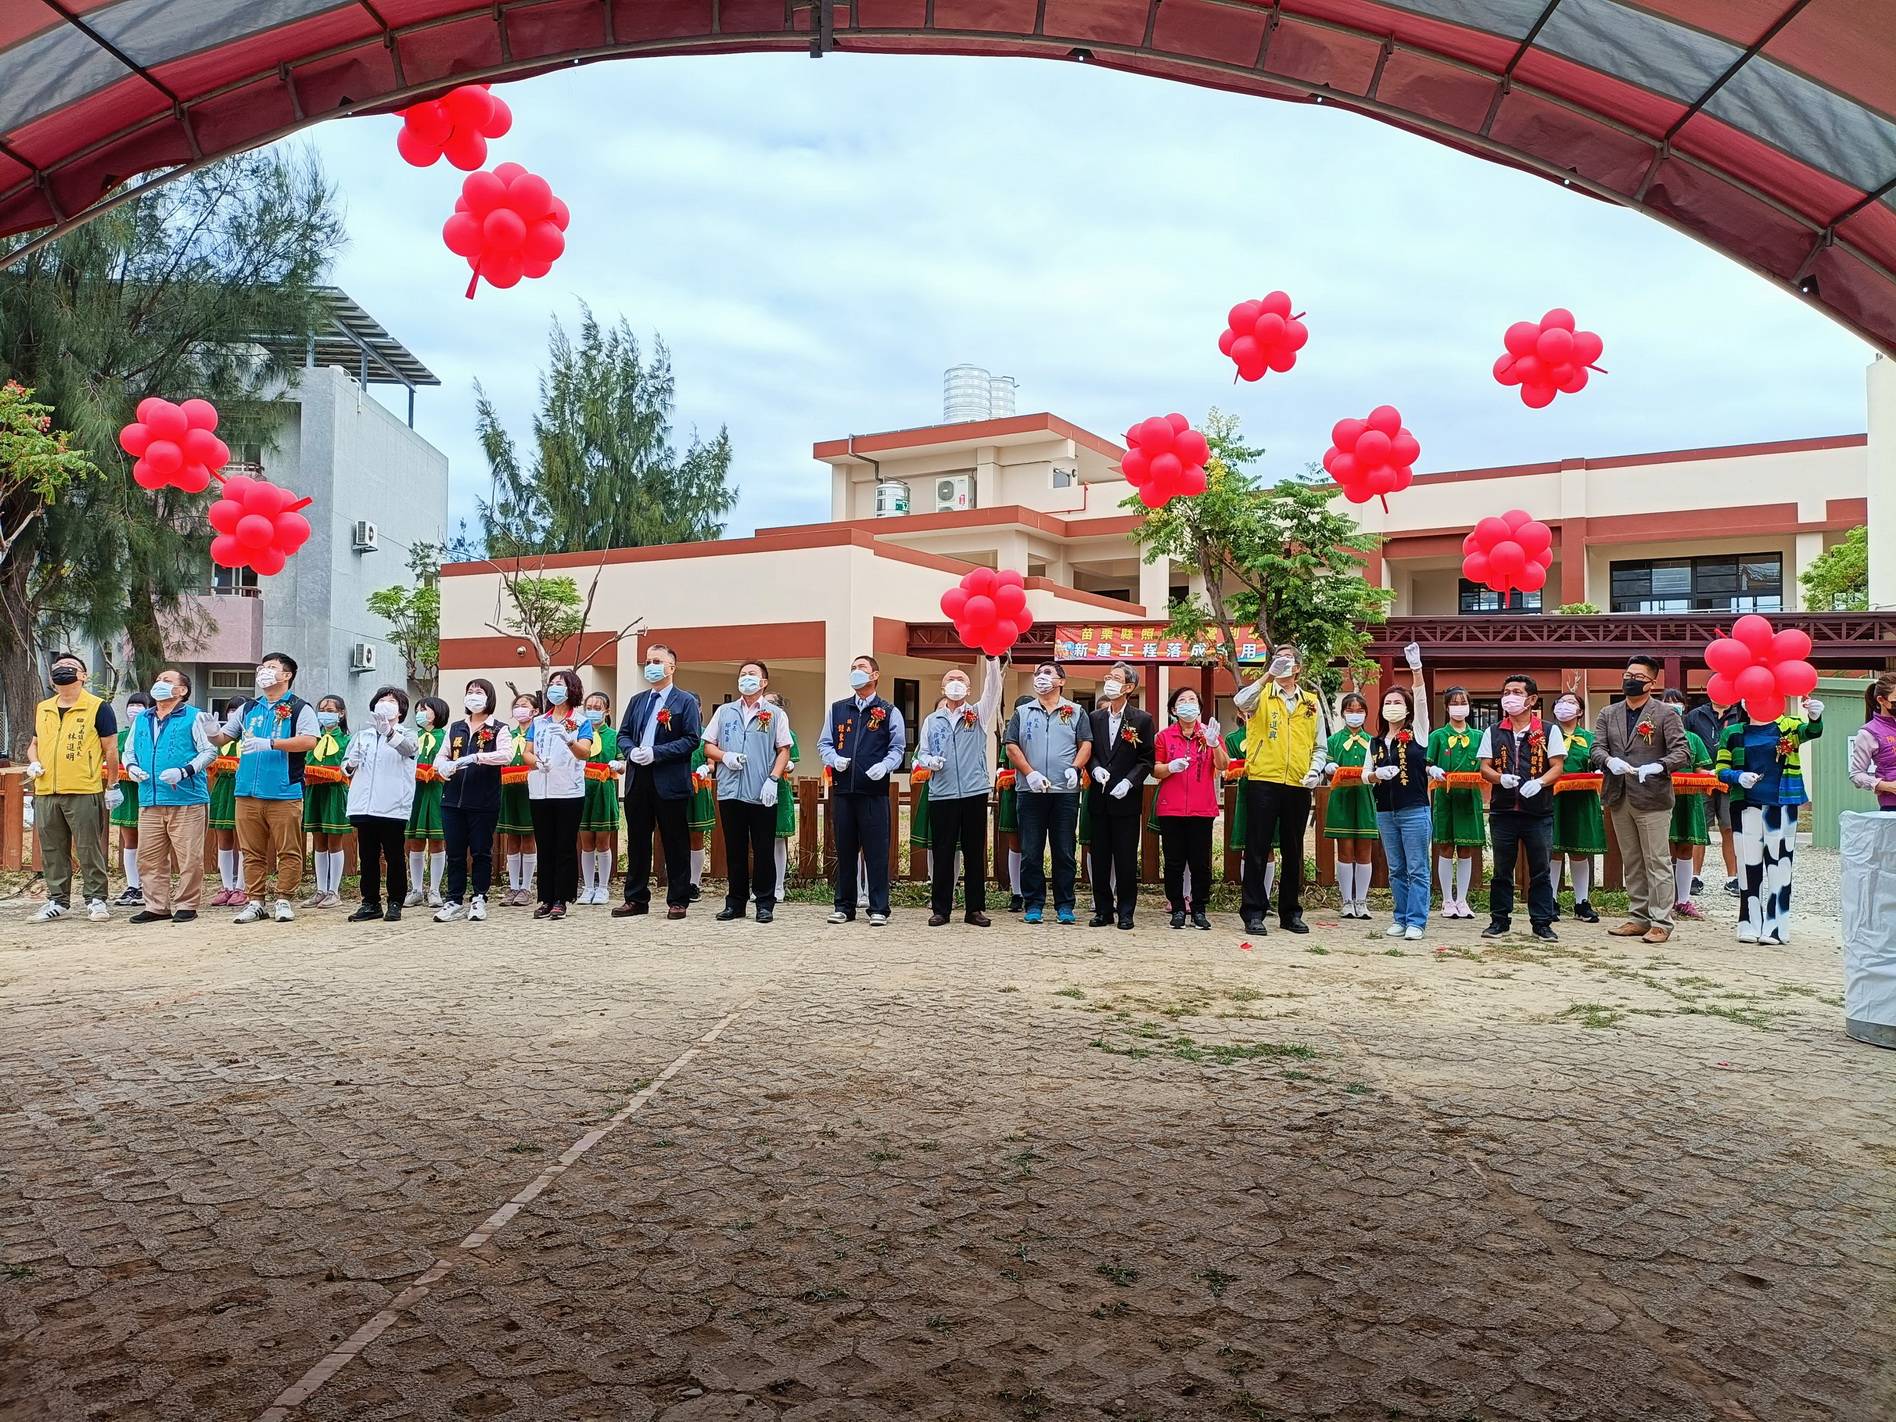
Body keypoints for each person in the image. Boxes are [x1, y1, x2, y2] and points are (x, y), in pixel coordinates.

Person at [1589, 655, 1690, 944]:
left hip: (1652, 796)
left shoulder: (1665, 714)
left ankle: (1661, 921)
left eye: (1638, 677)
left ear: (1651, 683)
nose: (1630, 680)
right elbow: (1596, 748)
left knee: (1656, 860)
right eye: (1627, 674)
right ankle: (1638, 917)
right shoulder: (1609, 713)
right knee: (1632, 861)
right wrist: (1608, 761)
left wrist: (1658, 765)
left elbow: (1682, 752)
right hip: (1619, 795)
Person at [1716, 692, 1825, 945]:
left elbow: (1811, 731)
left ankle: (1777, 926)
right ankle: (1748, 923)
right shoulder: (1732, 732)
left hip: (1782, 806)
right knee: (1747, 866)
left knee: (1780, 867)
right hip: (1745, 806)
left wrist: (1815, 716)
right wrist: (1737, 777)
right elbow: (1721, 769)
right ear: (1744, 702)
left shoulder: (1788, 726)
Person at [1234, 642, 1324, 936]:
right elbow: (1241, 700)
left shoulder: (1310, 702)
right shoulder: (1262, 695)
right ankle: (1254, 912)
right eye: (1277, 659)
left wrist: (1314, 769)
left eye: (1287, 660)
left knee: (1293, 849)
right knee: (1258, 848)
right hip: (1264, 779)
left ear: (1297, 668)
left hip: (1298, 783)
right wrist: (1265, 677)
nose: (1282, 663)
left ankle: (1290, 912)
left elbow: (1320, 745)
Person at [224, 652, 320, 923]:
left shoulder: (300, 708)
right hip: (246, 792)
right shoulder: (248, 708)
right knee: (251, 851)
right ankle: (255, 901)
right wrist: (208, 730)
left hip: (283, 791)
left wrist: (272, 743)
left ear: (286, 675)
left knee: (287, 849)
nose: (263, 672)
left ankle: (284, 899)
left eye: (271, 667)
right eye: (262, 667)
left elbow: (309, 740)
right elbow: (224, 736)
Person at [27, 651, 122, 922]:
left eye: (70, 667)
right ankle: (58, 900)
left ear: (83, 676)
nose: (63, 670)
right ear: (51, 677)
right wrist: (33, 763)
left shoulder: (98, 707)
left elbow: (111, 749)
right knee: (52, 847)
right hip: (46, 789)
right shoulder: (43, 707)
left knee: (88, 846)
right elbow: (34, 744)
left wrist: (112, 784)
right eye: (58, 667)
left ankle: (96, 899)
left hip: (82, 788)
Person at [613, 644, 702, 920]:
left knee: (675, 841)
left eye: (657, 661)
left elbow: (691, 739)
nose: (651, 665)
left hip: (669, 779)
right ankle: (636, 898)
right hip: (638, 778)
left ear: (671, 667)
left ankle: (678, 899)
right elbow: (623, 734)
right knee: (638, 839)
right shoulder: (638, 700)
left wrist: (657, 753)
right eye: (648, 660)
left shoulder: (684, 701)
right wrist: (632, 751)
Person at [120, 668, 215, 924]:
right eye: (158, 679)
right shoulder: (142, 719)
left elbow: (209, 751)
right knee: (149, 857)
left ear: (182, 690)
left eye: (167, 680)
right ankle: (156, 905)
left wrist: (185, 771)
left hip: (187, 798)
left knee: (189, 857)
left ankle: (187, 903)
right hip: (150, 798)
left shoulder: (194, 716)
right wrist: (132, 768)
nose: (160, 683)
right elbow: (128, 751)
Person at [915, 657, 1005, 927]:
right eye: (950, 681)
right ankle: (941, 908)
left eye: (962, 681)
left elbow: (993, 689)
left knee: (974, 851)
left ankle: (975, 909)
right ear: (942, 689)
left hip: (974, 791)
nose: (956, 684)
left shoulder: (977, 714)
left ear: (968, 689)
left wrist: (992, 661)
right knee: (943, 851)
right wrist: (930, 762)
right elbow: (924, 753)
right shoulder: (932, 720)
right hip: (941, 793)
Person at [820, 654, 907, 926]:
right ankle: (844, 906)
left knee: (876, 852)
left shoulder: (888, 711)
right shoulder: (838, 709)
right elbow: (824, 743)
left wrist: (885, 766)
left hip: (874, 793)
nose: (856, 672)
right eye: (853, 668)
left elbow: (898, 747)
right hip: (844, 790)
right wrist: (834, 759)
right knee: (845, 850)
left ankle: (879, 907)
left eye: (862, 668)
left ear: (875, 675)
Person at [704, 660, 795, 922]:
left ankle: (765, 903)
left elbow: (783, 749)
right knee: (735, 848)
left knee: (764, 848)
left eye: (752, 674)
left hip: (761, 790)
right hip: (731, 790)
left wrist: (773, 779)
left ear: (764, 682)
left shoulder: (775, 714)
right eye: (743, 674)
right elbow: (708, 746)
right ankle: (735, 902)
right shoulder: (724, 712)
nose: (746, 678)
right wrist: (726, 756)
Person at [1002, 663, 1091, 924]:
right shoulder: (1022, 712)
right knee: (1031, 850)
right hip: (1030, 790)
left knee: (1064, 849)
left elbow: (1085, 743)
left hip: (1065, 791)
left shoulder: (1075, 711)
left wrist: (1076, 768)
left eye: (1048, 674)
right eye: (1038, 674)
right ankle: (1034, 903)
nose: (1042, 678)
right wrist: (1029, 773)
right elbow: (1011, 746)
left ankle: (1064, 904)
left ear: (1061, 681)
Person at [1479, 674, 1564, 941]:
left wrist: (1539, 782)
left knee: (1540, 869)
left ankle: (1541, 922)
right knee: (1502, 869)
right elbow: (1485, 767)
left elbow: (1558, 767)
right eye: (1506, 692)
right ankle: (1499, 921)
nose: (1510, 697)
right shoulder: (1493, 731)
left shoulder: (1549, 730)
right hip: (1503, 810)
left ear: (1531, 699)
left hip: (1538, 811)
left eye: (1516, 692)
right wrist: (1499, 778)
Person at [433, 677, 513, 923]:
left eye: (479, 691)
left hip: (483, 801)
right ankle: (454, 899)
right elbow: (442, 755)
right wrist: (443, 767)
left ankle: (479, 896)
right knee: (455, 852)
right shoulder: (456, 727)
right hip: (452, 799)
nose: (474, 695)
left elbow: (507, 755)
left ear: (489, 697)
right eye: (470, 691)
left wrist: (478, 757)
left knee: (480, 851)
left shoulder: (498, 728)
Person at [1084, 664, 1156, 930]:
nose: (1110, 682)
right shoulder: (1095, 717)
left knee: (1125, 858)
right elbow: (1088, 751)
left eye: (1116, 679)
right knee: (1100, 856)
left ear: (1128, 687)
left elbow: (1147, 758)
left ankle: (1126, 911)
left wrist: (1129, 781)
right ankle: (1103, 910)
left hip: (1126, 800)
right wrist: (1095, 768)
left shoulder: (1142, 719)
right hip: (1100, 797)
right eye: (1108, 677)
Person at [1153, 684, 1227, 929]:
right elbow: (1156, 769)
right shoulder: (1164, 736)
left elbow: (1224, 765)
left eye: (1192, 700)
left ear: (1199, 706)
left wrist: (1214, 743)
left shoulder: (1208, 733)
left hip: (1201, 808)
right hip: (1171, 808)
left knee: (1200, 863)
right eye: (1182, 700)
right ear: (1174, 708)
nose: (1188, 704)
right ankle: (1176, 908)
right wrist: (1170, 767)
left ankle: (1199, 909)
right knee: (1173, 862)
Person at [343, 686, 418, 922]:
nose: (386, 703)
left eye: (391, 700)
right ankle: (370, 902)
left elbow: (409, 751)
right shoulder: (362, 735)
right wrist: (351, 763)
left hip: (393, 805)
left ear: (400, 710)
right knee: (367, 855)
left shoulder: (408, 734)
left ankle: (396, 901)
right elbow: (345, 766)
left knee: (394, 855)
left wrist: (389, 734)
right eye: (382, 699)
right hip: (364, 804)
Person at [527, 669, 594, 919]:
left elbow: (584, 752)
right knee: (544, 845)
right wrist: (536, 761)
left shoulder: (580, 720)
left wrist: (568, 740)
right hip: (540, 789)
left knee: (564, 845)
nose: (555, 688)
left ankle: (562, 898)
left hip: (568, 790)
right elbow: (527, 751)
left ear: (572, 689)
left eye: (561, 684)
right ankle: (545, 897)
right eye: (552, 683)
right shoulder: (539, 721)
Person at [1369, 677, 1432, 941]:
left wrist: (1417, 670)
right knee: (1396, 868)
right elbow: (1365, 774)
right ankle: (1400, 916)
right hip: (1385, 811)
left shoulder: (1417, 733)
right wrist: (1376, 775)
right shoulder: (1376, 742)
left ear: (1407, 709)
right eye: (1388, 702)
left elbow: (1421, 699)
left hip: (1414, 809)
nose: (1392, 706)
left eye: (1397, 702)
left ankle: (1417, 920)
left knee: (1417, 867)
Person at [1425, 687, 1482, 919]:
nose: (1459, 706)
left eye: (1463, 702)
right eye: (1454, 703)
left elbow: (1487, 765)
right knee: (1446, 848)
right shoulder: (1437, 736)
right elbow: (1426, 764)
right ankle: (1447, 900)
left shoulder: (1479, 736)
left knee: (1466, 849)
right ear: (1446, 707)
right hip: (1445, 798)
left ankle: (1462, 899)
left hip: (1469, 798)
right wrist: (1433, 769)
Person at [1549, 685, 1605, 924]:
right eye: (1560, 702)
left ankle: (1581, 902)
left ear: (1581, 711)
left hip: (1582, 799)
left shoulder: (1590, 738)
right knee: (1554, 849)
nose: (1565, 706)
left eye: (1571, 702)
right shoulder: (1546, 734)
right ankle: (1549, 900)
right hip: (1553, 797)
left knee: (1580, 851)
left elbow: (1598, 761)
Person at [1321, 690, 1379, 920]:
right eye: (1350, 710)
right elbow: (1324, 765)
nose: (1355, 715)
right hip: (1342, 799)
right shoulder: (1334, 740)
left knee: (1364, 850)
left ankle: (1362, 901)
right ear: (1343, 713)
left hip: (1365, 798)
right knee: (1344, 850)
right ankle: (1346, 901)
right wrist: (1329, 768)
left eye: (1359, 711)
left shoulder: (1373, 742)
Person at [1661, 689, 1714, 922]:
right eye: (1667, 702)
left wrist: (1712, 775)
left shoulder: (1693, 739)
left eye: (1677, 702)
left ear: (1685, 707)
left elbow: (1701, 768)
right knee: (1663, 848)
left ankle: (1683, 900)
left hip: (1688, 799)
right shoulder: (1653, 736)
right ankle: (1663, 900)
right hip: (1660, 798)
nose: (1673, 706)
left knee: (1685, 848)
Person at [1684, 690, 1744, 896]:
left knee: (1729, 827)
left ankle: (1733, 878)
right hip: (1701, 779)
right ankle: (1694, 876)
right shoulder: (1695, 715)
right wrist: (1697, 768)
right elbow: (1685, 744)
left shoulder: (1740, 713)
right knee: (1700, 828)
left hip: (1731, 779)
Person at [299, 695, 352, 908]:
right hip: (314, 791)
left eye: (330, 710)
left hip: (335, 792)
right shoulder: (313, 739)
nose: (325, 714)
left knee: (334, 841)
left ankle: (334, 891)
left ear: (341, 714)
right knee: (318, 841)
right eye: (321, 709)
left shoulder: (347, 740)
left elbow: (349, 766)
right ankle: (320, 889)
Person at [576, 690, 622, 905]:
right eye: (589, 708)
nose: (592, 712)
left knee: (603, 842)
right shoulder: (577, 734)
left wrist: (618, 765)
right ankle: (587, 886)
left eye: (597, 708)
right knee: (586, 841)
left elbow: (624, 763)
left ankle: (603, 887)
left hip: (604, 791)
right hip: (581, 790)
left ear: (606, 711)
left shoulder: (614, 736)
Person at [404, 696, 449, 907]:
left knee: (438, 841)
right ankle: (416, 889)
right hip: (415, 793)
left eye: (426, 709)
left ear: (438, 713)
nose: (421, 712)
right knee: (415, 840)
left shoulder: (446, 737)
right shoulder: (412, 736)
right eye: (419, 709)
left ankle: (434, 890)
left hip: (438, 792)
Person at [110, 691, 154, 906]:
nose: (134, 709)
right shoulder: (120, 737)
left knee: (151, 841)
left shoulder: (152, 733)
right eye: (132, 704)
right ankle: (132, 885)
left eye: (140, 705)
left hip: (148, 792)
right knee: (129, 841)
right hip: (126, 792)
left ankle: (149, 886)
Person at [497, 692, 539, 906]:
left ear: (535, 711)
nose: (519, 709)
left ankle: (526, 887)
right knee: (512, 837)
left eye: (524, 705)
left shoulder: (538, 733)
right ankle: (513, 887)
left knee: (529, 837)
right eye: (516, 705)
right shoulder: (507, 733)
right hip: (509, 789)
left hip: (530, 789)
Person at [206, 698, 245, 907]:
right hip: (222, 788)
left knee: (244, 840)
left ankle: (242, 887)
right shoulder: (221, 741)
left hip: (242, 789)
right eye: (230, 710)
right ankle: (226, 886)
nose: (233, 714)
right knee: (224, 839)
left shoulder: (249, 738)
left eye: (237, 710)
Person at [763, 692, 801, 890]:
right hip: (756, 786)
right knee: (760, 840)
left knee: (778, 839)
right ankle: (762, 885)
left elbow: (792, 760)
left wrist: (787, 766)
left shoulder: (788, 732)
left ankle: (778, 886)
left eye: (769, 703)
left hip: (779, 787)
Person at [998, 697, 1033, 912]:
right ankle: (1017, 892)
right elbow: (1004, 763)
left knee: (1035, 845)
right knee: (1015, 844)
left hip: (1038, 792)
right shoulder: (1010, 732)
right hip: (1013, 793)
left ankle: (1034, 892)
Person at [1848, 673, 1896, 811]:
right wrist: (1886, 786)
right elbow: (1856, 774)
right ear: (1881, 700)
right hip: (1892, 807)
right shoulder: (1868, 733)